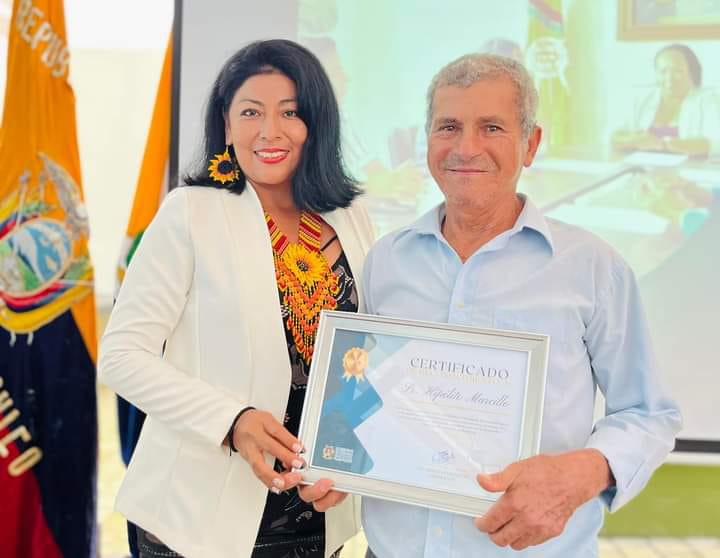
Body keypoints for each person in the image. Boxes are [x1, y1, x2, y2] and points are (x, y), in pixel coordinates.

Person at [357, 53, 681, 556]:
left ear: (530, 144)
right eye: (448, 127)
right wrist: (336, 458)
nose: (466, 147)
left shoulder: (592, 268)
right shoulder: (386, 260)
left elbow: (648, 414)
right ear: (428, 140)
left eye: (491, 127)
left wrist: (580, 474)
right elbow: (364, 390)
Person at [99, 39, 373, 558]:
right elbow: (121, 356)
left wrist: (350, 460)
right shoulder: (191, 213)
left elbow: (364, 354)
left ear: (316, 123)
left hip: (317, 511)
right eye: (251, 112)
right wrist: (233, 421)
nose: (270, 131)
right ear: (226, 125)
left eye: (290, 112)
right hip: (197, 517)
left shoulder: (350, 216)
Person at [612, 43, 720, 158]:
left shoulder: (708, 100)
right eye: (663, 71)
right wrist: (635, 141)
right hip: (642, 166)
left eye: (678, 71)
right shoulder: (641, 99)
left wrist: (673, 145)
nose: (669, 78)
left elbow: (717, 143)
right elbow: (614, 137)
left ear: (692, 72)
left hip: (690, 167)